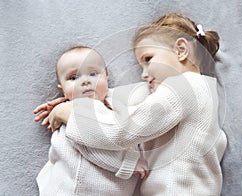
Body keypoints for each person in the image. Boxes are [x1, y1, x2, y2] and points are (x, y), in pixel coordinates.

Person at [36, 13, 227, 195]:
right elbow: (128, 99)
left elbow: (121, 130)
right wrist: (77, 98)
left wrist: (69, 114)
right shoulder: (198, 90)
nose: (144, 74)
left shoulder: (184, 86)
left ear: (181, 50)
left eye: (148, 59)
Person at [34, 46, 148, 195]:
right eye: (73, 78)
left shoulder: (115, 102)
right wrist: (129, 163)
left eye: (93, 74)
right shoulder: (76, 110)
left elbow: (145, 90)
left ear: (106, 76)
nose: (85, 81)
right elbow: (92, 146)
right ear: (62, 89)